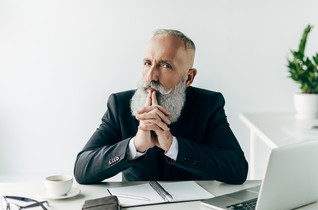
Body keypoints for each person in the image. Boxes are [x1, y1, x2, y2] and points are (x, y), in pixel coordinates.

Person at [74, 29, 248, 184]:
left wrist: (173, 146)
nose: (151, 77)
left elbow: (237, 170)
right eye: (148, 63)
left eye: (166, 65)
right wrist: (135, 146)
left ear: (189, 78)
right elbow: (82, 170)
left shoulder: (209, 104)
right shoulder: (119, 105)